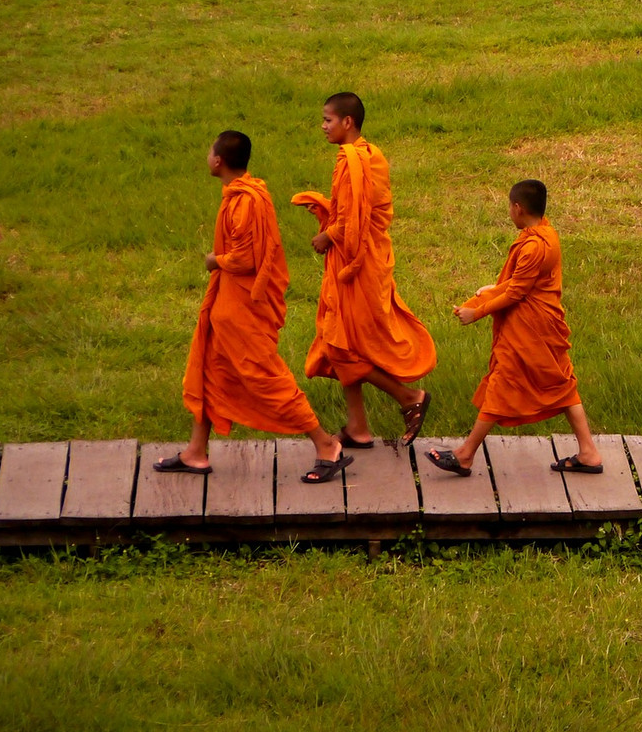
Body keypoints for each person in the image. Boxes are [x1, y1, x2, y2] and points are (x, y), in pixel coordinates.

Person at [156, 131, 350, 485]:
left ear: (218, 161)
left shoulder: (245, 202)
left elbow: (246, 259)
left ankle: (326, 445)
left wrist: (215, 260)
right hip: (226, 307)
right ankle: (196, 452)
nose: (207, 155)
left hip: (242, 309)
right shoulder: (245, 192)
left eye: (209, 150)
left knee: (266, 378)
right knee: (209, 372)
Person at [423, 180, 602, 477]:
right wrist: (495, 287)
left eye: (509, 206)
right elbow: (528, 281)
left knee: (503, 384)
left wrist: (477, 312)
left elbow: (518, 293)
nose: (509, 211)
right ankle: (589, 453)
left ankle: (465, 454)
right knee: (562, 383)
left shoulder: (534, 245)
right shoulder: (547, 232)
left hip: (529, 329)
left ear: (518, 208)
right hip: (546, 325)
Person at [291, 92, 435, 448]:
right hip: (358, 255)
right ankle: (358, 427)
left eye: (327, 120)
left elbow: (356, 219)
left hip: (359, 263)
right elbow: (352, 209)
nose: (323, 127)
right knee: (341, 338)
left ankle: (408, 397)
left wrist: (328, 234)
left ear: (347, 122)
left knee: (341, 344)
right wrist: (328, 212)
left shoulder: (357, 160)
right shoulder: (364, 156)